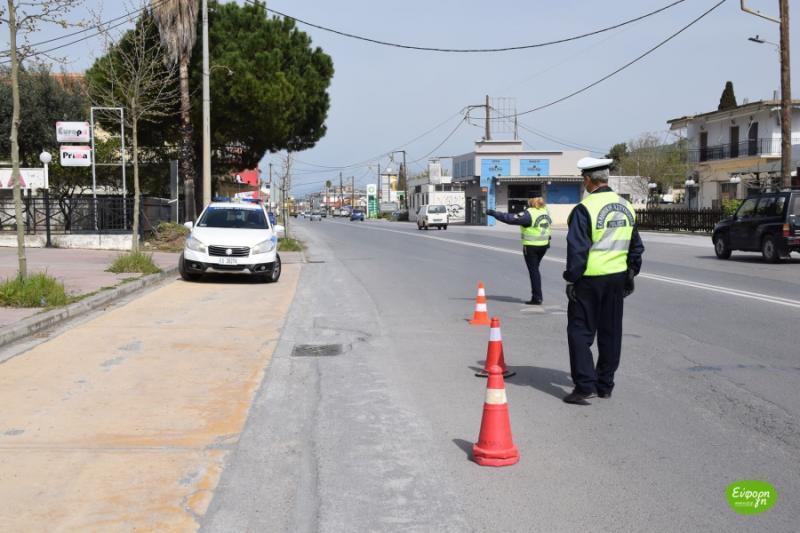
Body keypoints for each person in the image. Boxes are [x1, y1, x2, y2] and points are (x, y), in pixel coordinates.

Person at [562, 157, 644, 405]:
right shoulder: (626, 206)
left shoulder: (584, 209)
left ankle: (584, 385)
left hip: (589, 279)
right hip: (617, 279)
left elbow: (577, 250)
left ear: (588, 179)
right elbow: (635, 246)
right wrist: (631, 273)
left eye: (583, 178)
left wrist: (571, 279)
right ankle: (605, 385)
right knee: (611, 332)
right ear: (606, 179)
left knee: (579, 331)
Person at [486, 197, 552, 305]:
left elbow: (510, 218)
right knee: (535, 270)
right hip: (544, 245)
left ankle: (537, 298)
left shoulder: (528, 214)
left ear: (530, 202)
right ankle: (537, 296)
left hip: (531, 247)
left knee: (534, 271)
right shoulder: (545, 211)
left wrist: (493, 213)